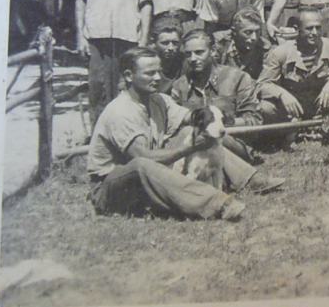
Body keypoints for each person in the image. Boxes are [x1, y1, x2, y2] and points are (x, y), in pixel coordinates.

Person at [86, 48, 281, 223]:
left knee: (191, 131)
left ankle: (249, 179)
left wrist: (215, 121)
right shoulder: (120, 111)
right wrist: (189, 148)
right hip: (112, 189)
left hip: (150, 175)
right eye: (150, 73)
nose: (157, 78)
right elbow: (142, 157)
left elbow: (192, 117)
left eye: (159, 71)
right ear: (129, 76)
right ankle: (218, 204)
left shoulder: (158, 100)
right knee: (142, 164)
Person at [170, 29, 269, 165]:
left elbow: (254, 120)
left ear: (212, 51)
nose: (193, 59)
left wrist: (220, 123)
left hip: (231, 143)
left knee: (210, 136)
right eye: (188, 54)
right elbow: (174, 125)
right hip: (194, 146)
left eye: (199, 52)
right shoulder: (180, 86)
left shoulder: (237, 78)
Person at [258, 8, 329, 122]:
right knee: (266, 107)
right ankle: (289, 129)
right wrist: (281, 94)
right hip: (292, 106)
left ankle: (322, 124)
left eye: (318, 28)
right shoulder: (280, 53)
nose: (315, 33)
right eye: (309, 28)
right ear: (297, 29)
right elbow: (262, 84)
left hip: (319, 102)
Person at [216, 7, 269, 80]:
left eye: (257, 32)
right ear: (234, 32)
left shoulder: (265, 49)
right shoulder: (219, 44)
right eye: (248, 32)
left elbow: (266, 79)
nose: (254, 37)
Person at [150, 16, 184, 94]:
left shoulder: (184, 61)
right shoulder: (146, 62)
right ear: (154, 43)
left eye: (175, 43)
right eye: (165, 43)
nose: (171, 48)